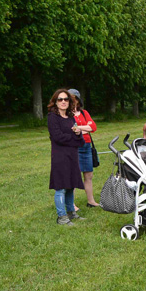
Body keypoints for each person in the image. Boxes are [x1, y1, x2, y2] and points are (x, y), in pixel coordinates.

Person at [47, 89, 85, 226]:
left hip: (72, 156)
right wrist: (73, 138)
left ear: (70, 102)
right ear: (55, 102)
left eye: (66, 99)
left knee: (70, 185)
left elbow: (80, 140)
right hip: (60, 157)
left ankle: (71, 213)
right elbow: (57, 137)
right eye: (60, 99)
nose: (63, 102)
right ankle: (61, 217)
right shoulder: (52, 118)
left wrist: (77, 134)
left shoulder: (70, 118)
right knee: (61, 187)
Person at [68, 89, 99, 209]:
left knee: (89, 175)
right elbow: (71, 129)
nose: (73, 102)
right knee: (74, 176)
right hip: (75, 147)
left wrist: (79, 128)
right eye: (71, 99)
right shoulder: (67, 115)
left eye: (74, 99)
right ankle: (71, 204)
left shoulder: (84, 113)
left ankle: (91, 201)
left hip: (87, 146)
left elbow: (93, 127)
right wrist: (85, 128)